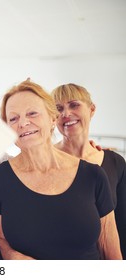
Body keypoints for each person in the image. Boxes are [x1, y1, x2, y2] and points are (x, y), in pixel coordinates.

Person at [0, 79, 122, 260]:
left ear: (52, 118)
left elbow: (109, 248)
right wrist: (10, 255)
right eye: (13, 118)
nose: (23, 123)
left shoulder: (93, 175)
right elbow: (1, 237)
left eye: (32, 113)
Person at [51, 83, 126, 259]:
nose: (66, 113)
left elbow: (122, 223)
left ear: (91, 110)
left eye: (74, 105)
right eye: (59, 108)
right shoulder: (47, 160)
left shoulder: (115, 162)